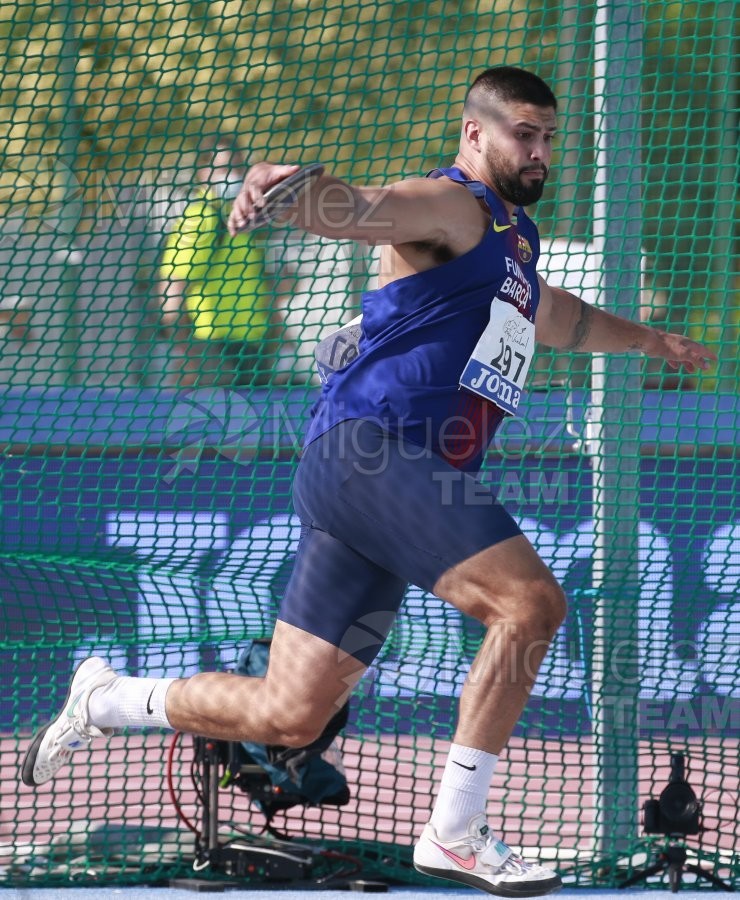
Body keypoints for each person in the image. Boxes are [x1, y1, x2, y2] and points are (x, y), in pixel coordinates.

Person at [23, 67, 715, 897]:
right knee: (529, 605)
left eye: (548, 138)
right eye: (523, 134)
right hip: (377, 453)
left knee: (292, 713)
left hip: (368, 484)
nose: (539, 151)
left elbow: (559, 316)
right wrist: (286, 190)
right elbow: (361, 208)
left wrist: (650, 342)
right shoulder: (451, 205)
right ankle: (455, 831)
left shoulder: (515, 243)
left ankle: (108, 699)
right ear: (475, 133)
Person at [158, 135, 280, 387]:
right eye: (223, 168)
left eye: (237, 168)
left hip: (253, 350)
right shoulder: (200, 217)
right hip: (212, 350)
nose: (232, 175)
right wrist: (186, 351)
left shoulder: (244, 217)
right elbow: (173, 287)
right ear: (203, 173)